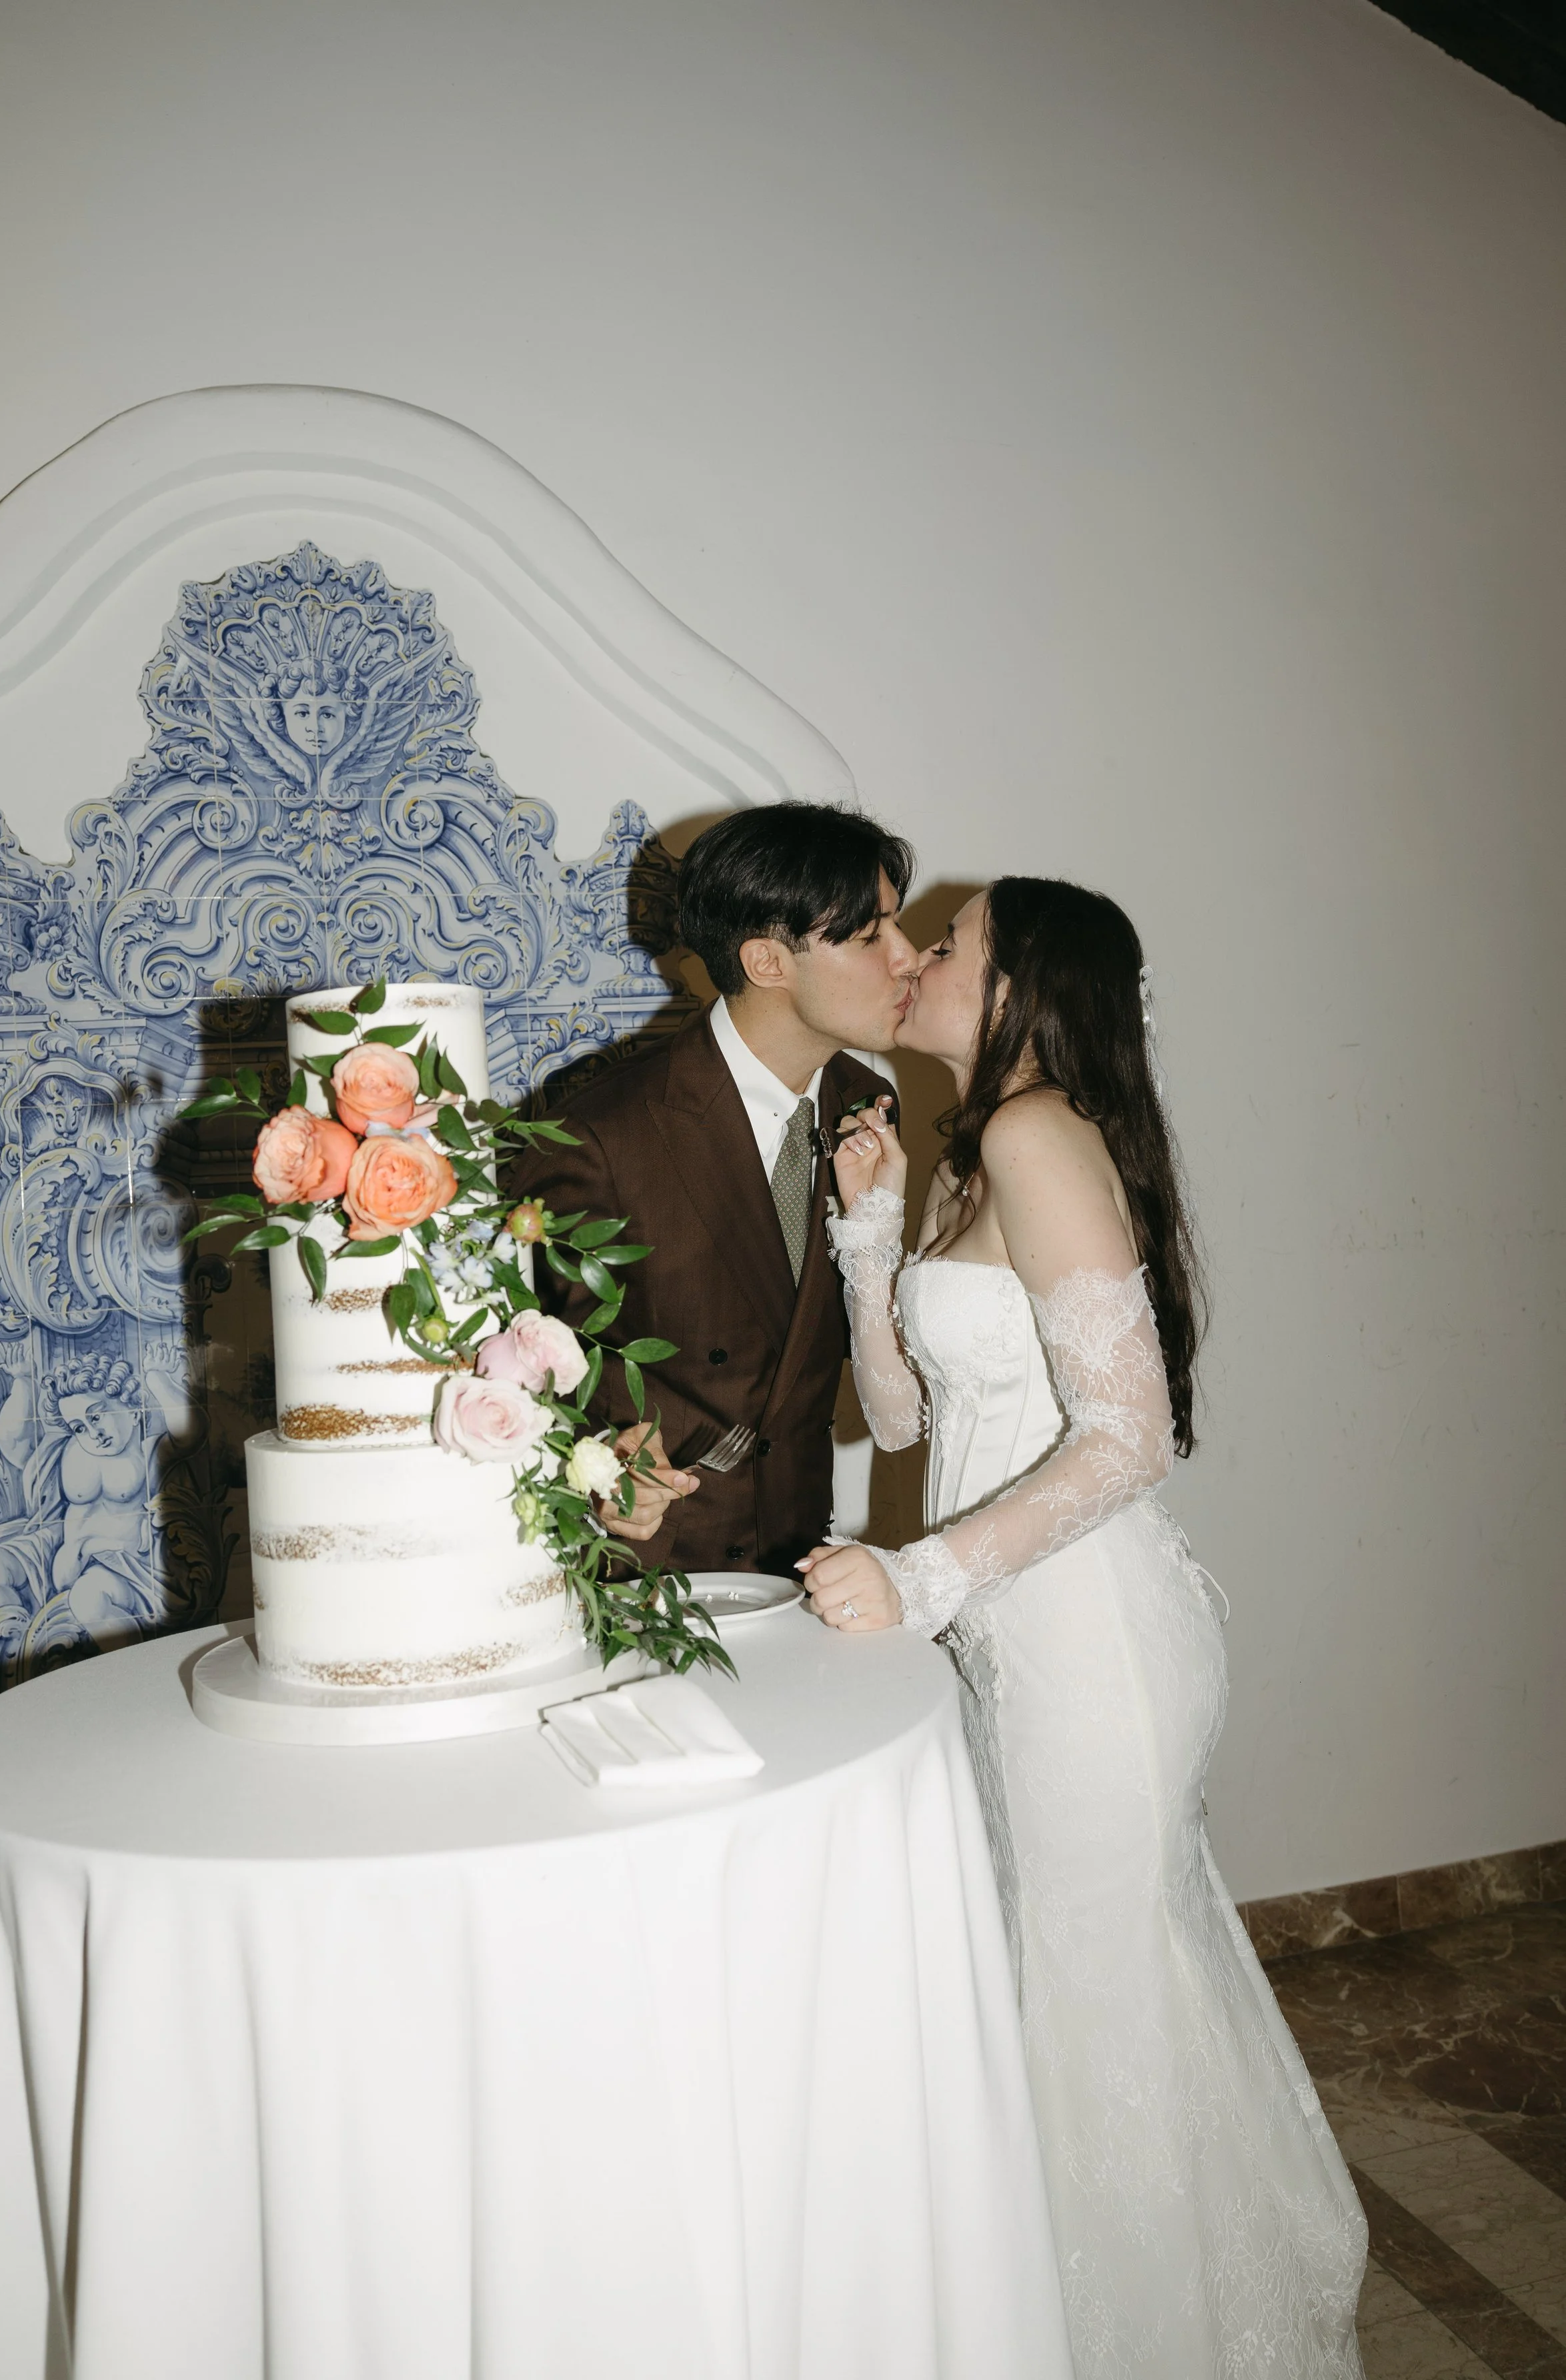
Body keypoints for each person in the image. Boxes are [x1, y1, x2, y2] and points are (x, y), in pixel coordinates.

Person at [799, 878, 1366, 2379]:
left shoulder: (1029, 1130)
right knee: (1060, 1990)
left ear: (1018, 984)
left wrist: (922, 1581)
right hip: (1018, 1635)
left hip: (1095, 1647)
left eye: (945, 945)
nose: (911, 962)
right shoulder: (963, 1152)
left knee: (1089, 2003)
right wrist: (868, 1244)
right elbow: (915, 1413)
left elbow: (1129, 1440)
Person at [506, 801, 917, 1574]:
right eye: (869, 937)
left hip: (806, 1567)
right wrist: (607, 1468)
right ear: (767, 962)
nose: (906, 957)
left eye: (897, 925)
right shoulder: (603, 1135)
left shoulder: (868, 1103)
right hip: (651, 1577)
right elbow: (535, 1374)